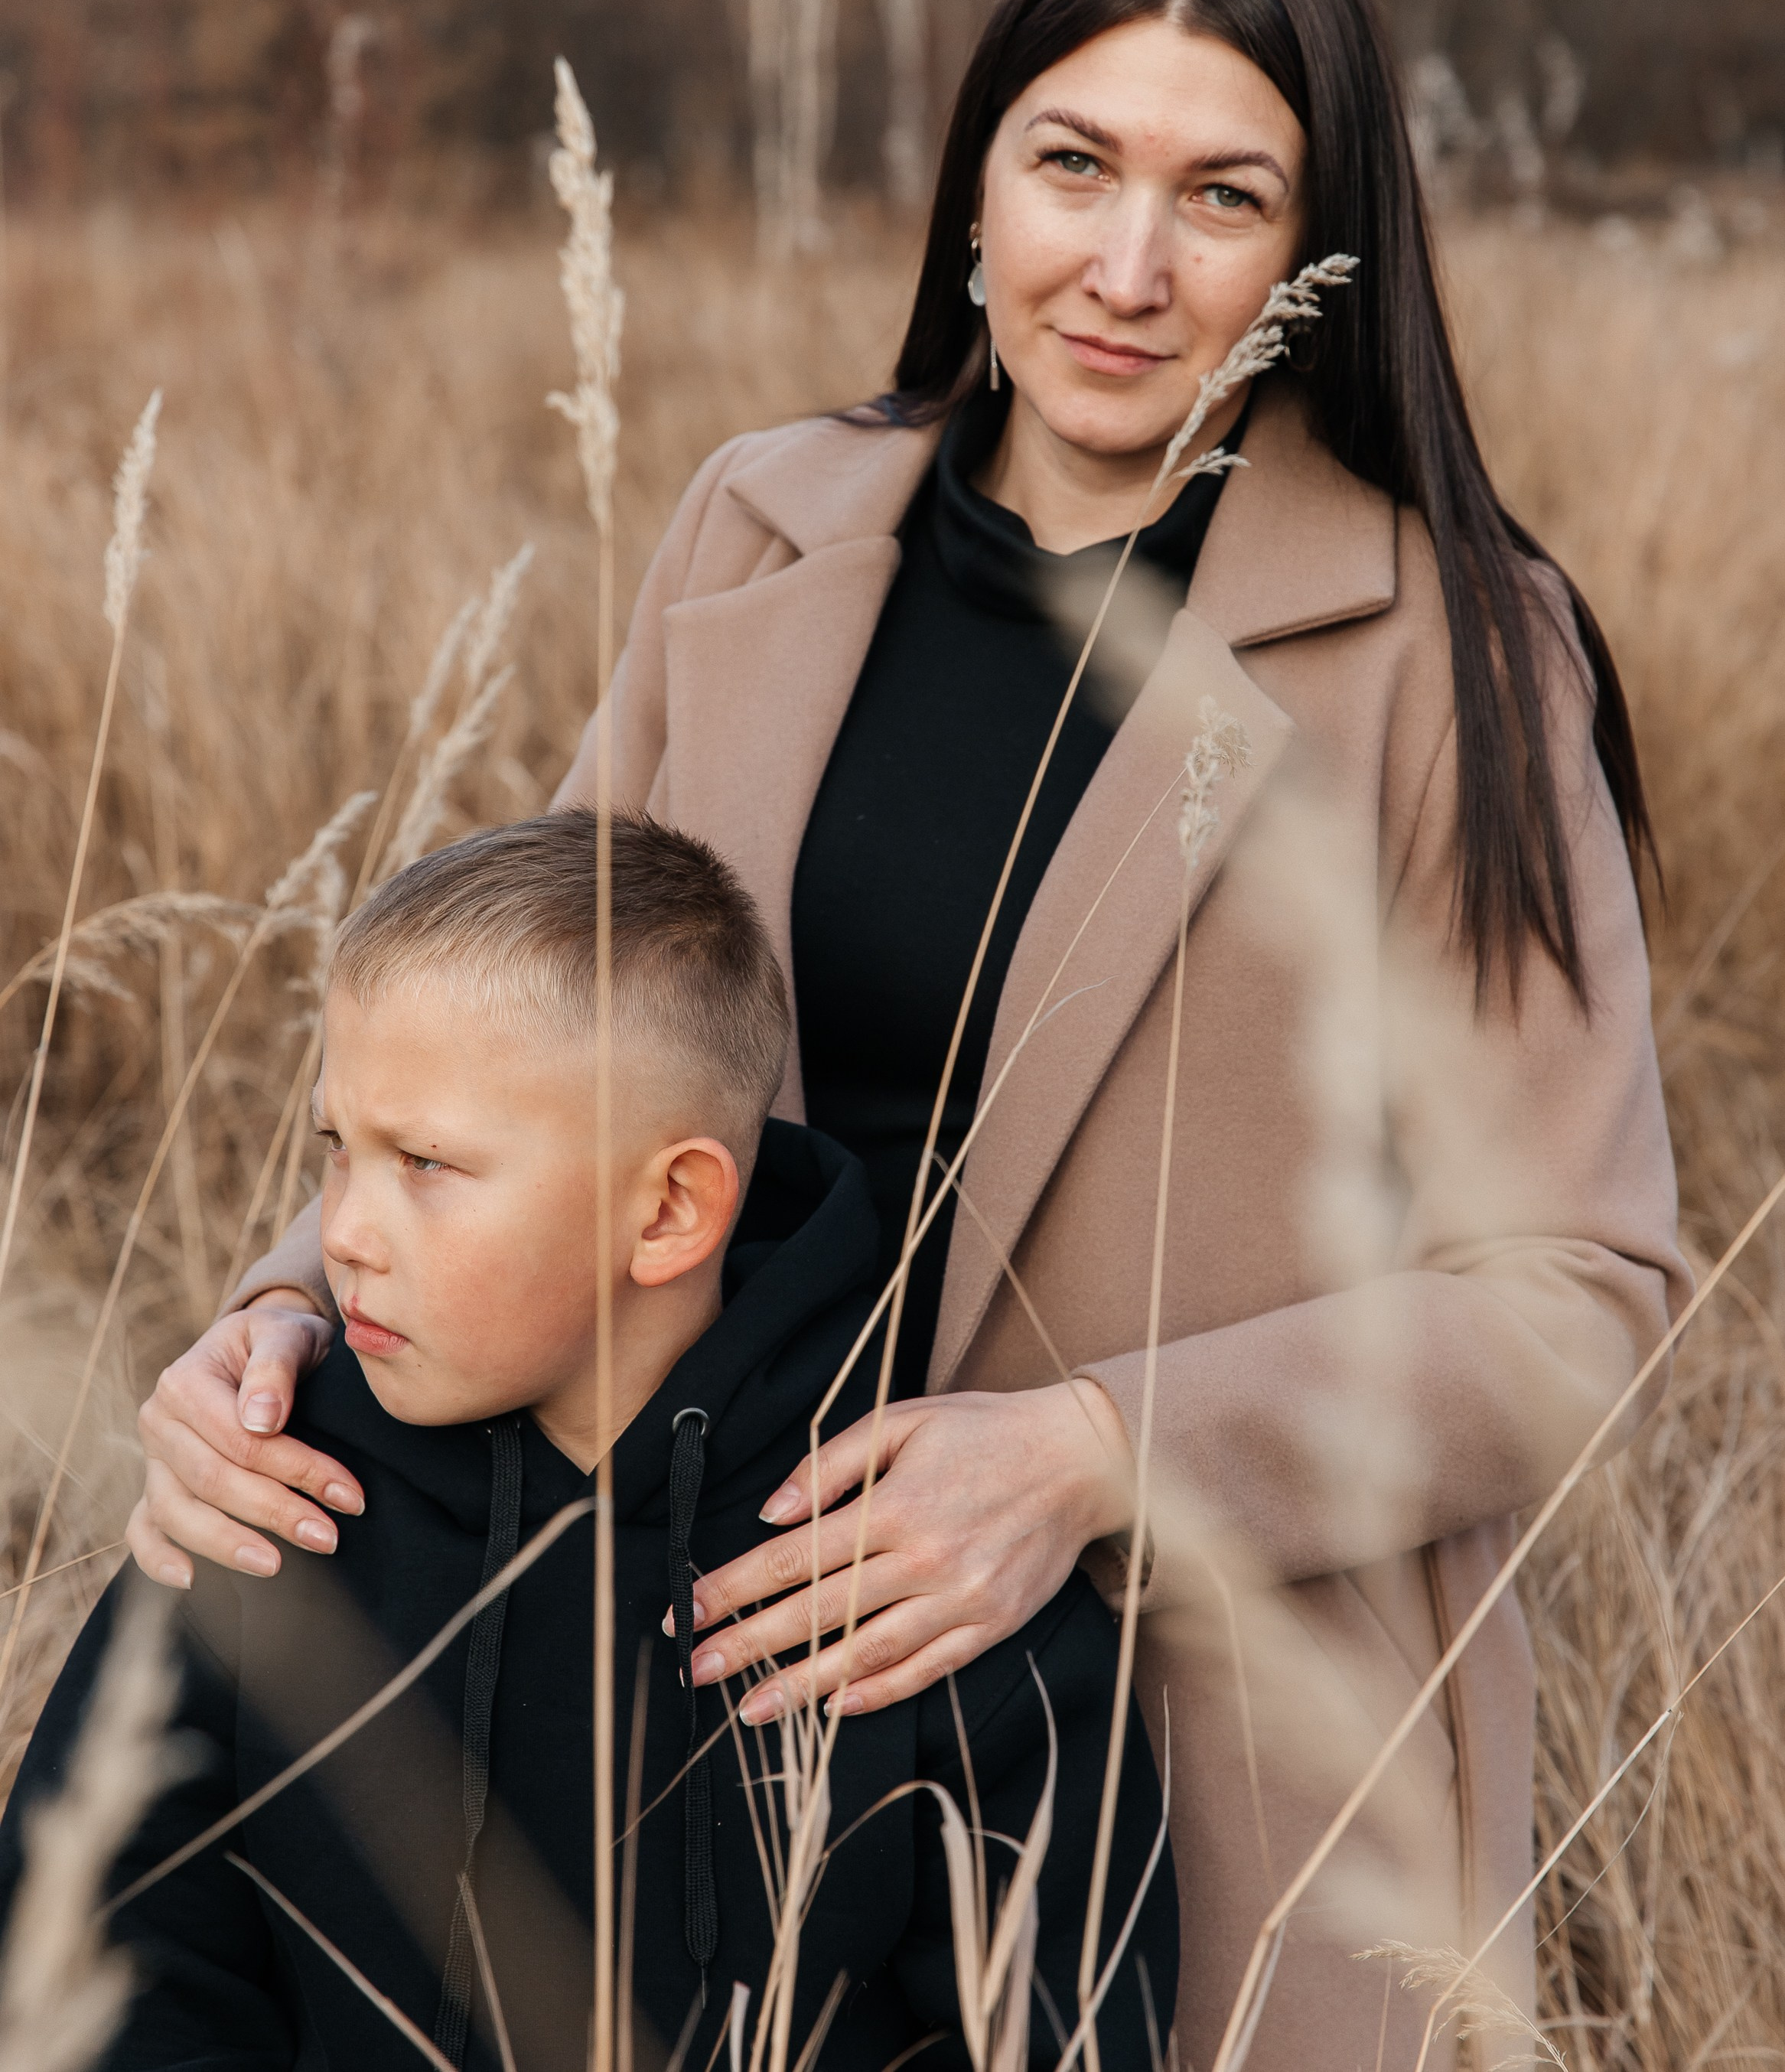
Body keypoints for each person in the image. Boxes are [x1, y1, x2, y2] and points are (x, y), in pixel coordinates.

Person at [125, 0, 1689, 2069]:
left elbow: (1577, 1298)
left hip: (1181, 1758)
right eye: (1071, 164)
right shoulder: (754, 527)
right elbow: (521, 1052)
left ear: (1312, 255)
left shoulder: (1452, 652)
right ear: (974, 179)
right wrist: (284, 1321)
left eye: (1221, 196)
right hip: (656, 1668)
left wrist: (1077, 1454)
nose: (1125, 268)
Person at [4, 814, 1175, 2071]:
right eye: (337, 1149)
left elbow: (1064, 2027)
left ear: (668, 1210)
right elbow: (100, 1950)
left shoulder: (911, 1566)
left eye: (428, 1163)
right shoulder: (268, 1501)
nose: (339, 1231)